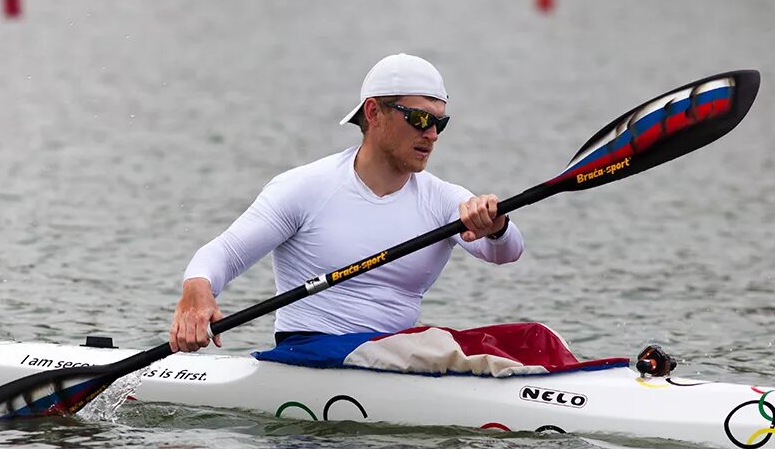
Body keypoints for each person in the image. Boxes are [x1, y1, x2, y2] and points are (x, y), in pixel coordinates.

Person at [169, 53, 525, 353]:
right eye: (420, 119)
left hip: (394, 355)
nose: (431, 134)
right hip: (310, 351)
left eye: (440, 123)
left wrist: (495, 227)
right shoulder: (307, 188)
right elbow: (225, 254)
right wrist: (197, 291)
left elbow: (506, 252)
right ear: (373, 113)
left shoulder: (443, 199)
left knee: (531, 338)